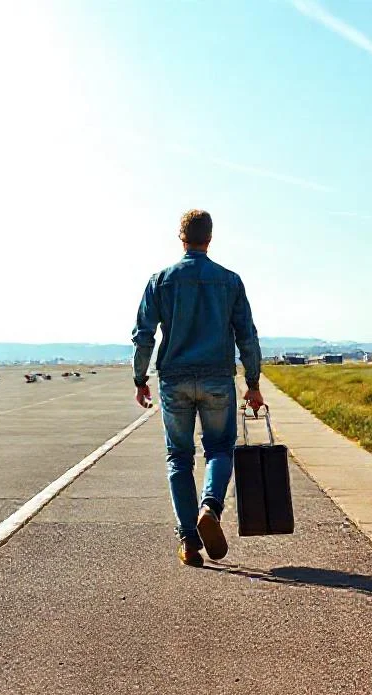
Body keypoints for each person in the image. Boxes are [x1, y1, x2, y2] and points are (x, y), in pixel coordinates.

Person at [131, 209, 264, 567]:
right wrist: (253, 383)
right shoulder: (230, 281)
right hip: (217, 378)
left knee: (178, 457)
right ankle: (211, 507)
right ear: (210, 238)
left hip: (174, 379)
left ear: (181, 237)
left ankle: (189, 542)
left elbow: (143, 336)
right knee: (220, 449)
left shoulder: (160, 281)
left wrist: (140, 379)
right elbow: (247, 336)